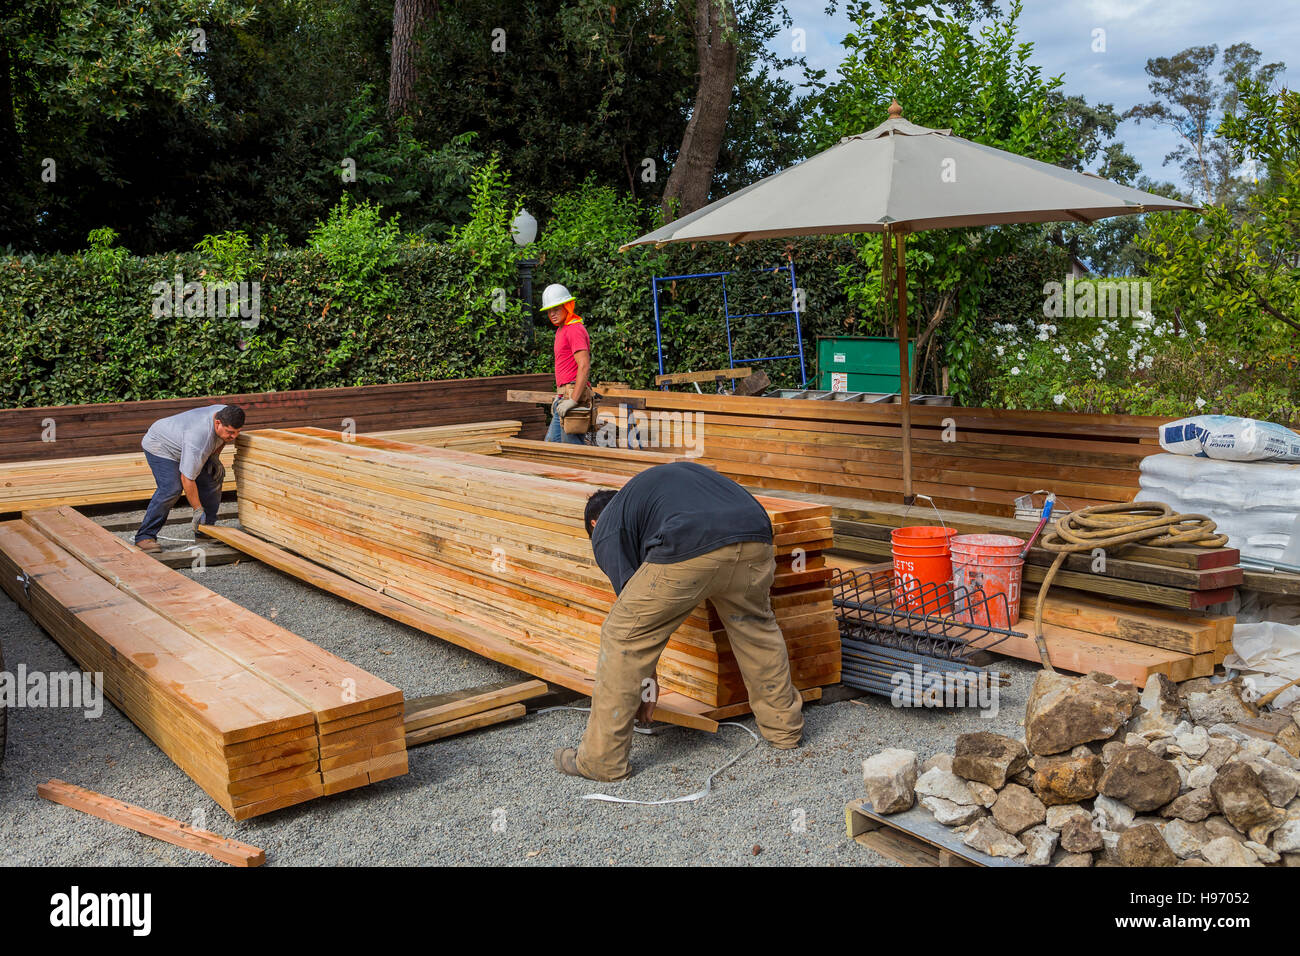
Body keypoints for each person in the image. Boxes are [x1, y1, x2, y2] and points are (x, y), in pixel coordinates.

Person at [554, 461, 804, 781]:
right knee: (756, 627)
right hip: (755, 533)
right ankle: (784, 731)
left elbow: (636, 631)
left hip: (693, 538)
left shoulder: (606, 525)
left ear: (593, 522)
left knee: (620, 635)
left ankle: (601, 762)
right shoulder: (659, 491)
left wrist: (646, 686)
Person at [134, 404, 245, 552]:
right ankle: (144, 536)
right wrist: (197, 510)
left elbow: (222, 439)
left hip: (184, 441)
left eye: (238, 432)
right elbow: (187, 479)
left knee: (213, 478)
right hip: (161, 445)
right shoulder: (199, 437)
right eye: (230, 432)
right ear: (217, 423)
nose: (234, 437)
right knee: (171, 488)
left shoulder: (227, 413)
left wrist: (214, 457)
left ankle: (205, 531)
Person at [541, 283, 591, 445]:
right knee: (552, 446)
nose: (552, 314)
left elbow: (584, 366)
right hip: (564, 398)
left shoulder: (574, 329)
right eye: (549, 310)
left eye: (556, 309)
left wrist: (574, 400)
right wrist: (560, 395)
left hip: (573, 399)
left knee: (572, 450)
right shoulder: (562, 329)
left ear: (567, 307)